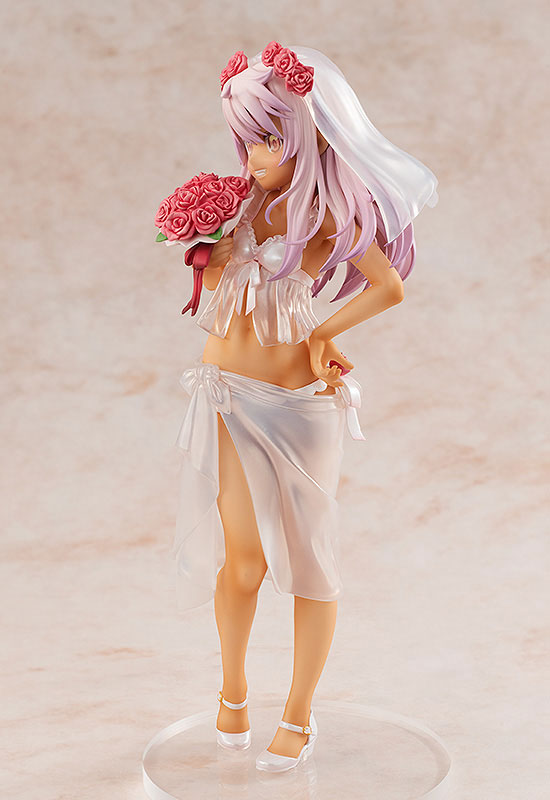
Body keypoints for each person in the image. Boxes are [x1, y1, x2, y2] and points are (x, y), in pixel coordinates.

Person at [172, 42, 438, 772]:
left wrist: (322, 332)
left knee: (311, 561)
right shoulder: (238, 204)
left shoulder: (324, 215)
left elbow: (389, 286)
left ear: (307, 133)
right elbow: (218, 284)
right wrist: (199, 237)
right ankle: (231, 691)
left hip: (297, 403)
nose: (256, 155)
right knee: (242, 561)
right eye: (248, 138)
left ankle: (298, 713)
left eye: (269, 137)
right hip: (226, 396)